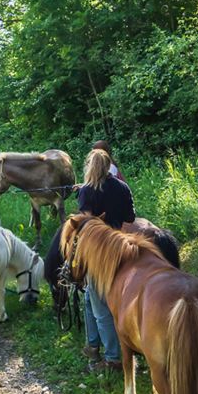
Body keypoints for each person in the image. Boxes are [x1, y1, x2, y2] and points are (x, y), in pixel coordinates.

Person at [77, 148, 136, 371]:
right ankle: (92, 345)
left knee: (100, 309)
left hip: (100, 253)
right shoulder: (122, 187)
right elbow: (130, 217)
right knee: (88, 299)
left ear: (91, 167)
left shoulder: (87, 190)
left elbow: (85, 224)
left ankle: (112, 357)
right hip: (121, 247)